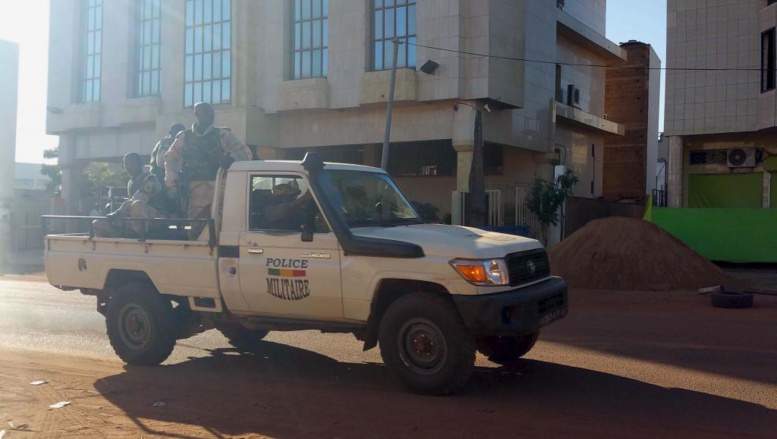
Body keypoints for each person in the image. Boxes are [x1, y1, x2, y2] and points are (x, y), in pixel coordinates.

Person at [164, 102, 253, 239]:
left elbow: (246, 153)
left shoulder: (223, 134)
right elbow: (170, 157)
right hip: (196, 188)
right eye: (206, 111)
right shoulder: (184, 137)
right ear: (197, 114)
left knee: (223, 224)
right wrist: (172, 176)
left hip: (222, 185)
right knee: (197, 226)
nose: (211, 114)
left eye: (211, 111)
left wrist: (233, 159)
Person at [93, 153, 173, 238]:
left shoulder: (150, 178)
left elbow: (137, 200)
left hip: (157, 217)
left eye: (132, 163)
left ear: (140, 164)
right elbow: (130, 203)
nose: (129, 166)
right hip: (136, 218)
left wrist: (117, 212)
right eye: (126, 164)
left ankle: (139, 236)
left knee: (137, 204)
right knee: (97, 223)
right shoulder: (131, 182)